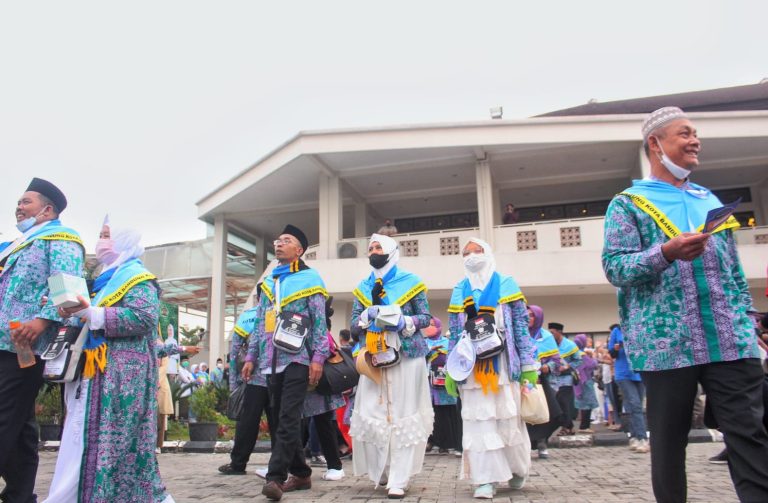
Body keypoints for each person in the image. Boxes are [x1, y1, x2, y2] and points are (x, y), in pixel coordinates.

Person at [602, 106, 768, 502]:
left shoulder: (709, 200)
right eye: (685, 134)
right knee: (669, 444)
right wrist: (666, 252)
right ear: (655, 145)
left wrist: (748, 322)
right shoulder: (628, 204)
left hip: (729, 339)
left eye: (696, 133)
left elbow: (734, 273)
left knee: (750, 435)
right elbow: (615, 266)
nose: (696, 141)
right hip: (665, 344)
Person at [45, 220, 174, 502]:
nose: (101, 241)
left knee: (115, 444)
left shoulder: (137, 277)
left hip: (121, 378)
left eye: (108, 236)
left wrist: (94, 314)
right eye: (100, 235)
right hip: (90, 374)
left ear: (125, 239)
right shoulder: (101, 279)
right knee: (79, 438)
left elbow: (144, 317)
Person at [1, 178, 84, 503]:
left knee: (5, 416)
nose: (19, 208)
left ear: (48, 209)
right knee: (19, 425)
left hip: (26, 345)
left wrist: (41, 320)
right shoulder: (19, 244)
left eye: (27, 202)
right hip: (5, 343)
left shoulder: (61, 239)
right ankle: (20, 495)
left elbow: (70, 290)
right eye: (19, 203)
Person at [241, 224, 331, 502]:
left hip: (298, 359)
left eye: (286, 240)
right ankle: (302, 472)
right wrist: (251, 356)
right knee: (278, 417)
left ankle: (275, 477)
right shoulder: (268, 283)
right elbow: (259, 323)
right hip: (270, 360)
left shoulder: (310, 279)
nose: (279, 244)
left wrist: (318, 357)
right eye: (278, 240)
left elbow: (319, 322)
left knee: (289, 417)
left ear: (299, 250)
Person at [446, 238, 537, 499]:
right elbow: (454, 333)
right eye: (466, 253)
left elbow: (521, 327)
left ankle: (517, 468)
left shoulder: (507, 284)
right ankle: (484, 479)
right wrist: (452, 371)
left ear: (488, 253)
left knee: (508, 419)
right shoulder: (459, 290)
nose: (471, 256)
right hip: (472, 367)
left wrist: (529, 364)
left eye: (477, 251)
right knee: (478, 422)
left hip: (504, 365)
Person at [349, 233, 433, 499]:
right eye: (370, 248)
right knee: (373, 410)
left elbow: (425, 317)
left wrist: (403, 321)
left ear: (391, 251)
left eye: (378, 247)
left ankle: (400, 477)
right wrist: (364, 318)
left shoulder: (411, 282)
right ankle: (382, 469)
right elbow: (352, 325)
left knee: (402, 412)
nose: (373, 251)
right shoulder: (363, 287)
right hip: (375, 356)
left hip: (406, 356)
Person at [218, 303, 274, 476]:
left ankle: (238, 464)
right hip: (278, 377)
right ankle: (280, 465)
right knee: (280, 423)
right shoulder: (282, 309)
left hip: (254, 379)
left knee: (247, 423)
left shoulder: (248, 316)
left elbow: (234, 352)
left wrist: (234, 384)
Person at [524, 305, 564, 459]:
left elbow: (556, 360)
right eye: (525, 314)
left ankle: (542, 442)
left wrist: (548, 367)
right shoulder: (518, 334)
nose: (528, 318)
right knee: (524, 413)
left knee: (547, 412)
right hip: (521, 381)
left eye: (531, 315)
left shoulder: (546, 337)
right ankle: (525, 445)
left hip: (540, 380)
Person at [424, 317, 461, 454]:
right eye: (427, 325)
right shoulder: (422, 343)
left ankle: (448, 443)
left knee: (446, 414)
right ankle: (433, 442)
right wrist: (429, 351)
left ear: (439, 327)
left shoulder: (447, 342)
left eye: (432, 325)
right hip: (428, 384)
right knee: (431, 413)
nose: (429, 327)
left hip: (443, 384)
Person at [608, 324, 648, 452]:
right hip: (623, 373)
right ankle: (643, 438)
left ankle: (634, 436)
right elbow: (612, 353)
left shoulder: (641, 327)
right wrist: (616, 348)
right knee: (635, 404)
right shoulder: (616, 331)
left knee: (634, 406)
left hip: (640, 372)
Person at [548, 322, 582, 436]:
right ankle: (568, 426)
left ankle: (567, 427)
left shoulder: (570, 345)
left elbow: (578, 360)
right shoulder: (549, 344)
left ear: (559, 332)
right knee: (556, 403)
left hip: (566, 378)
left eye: (552, 332)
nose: (550, 335)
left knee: (563, 402)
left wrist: (567, 366)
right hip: (552, 378)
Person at [573, 334, 599, 433]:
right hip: (585, 381)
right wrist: (594, 358)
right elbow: (592, 364)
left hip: (578, 381)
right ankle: (584, 426)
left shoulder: (574, 353)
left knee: (583, 404)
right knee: (587, 404)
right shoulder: (582, 354)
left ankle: (584, 426)